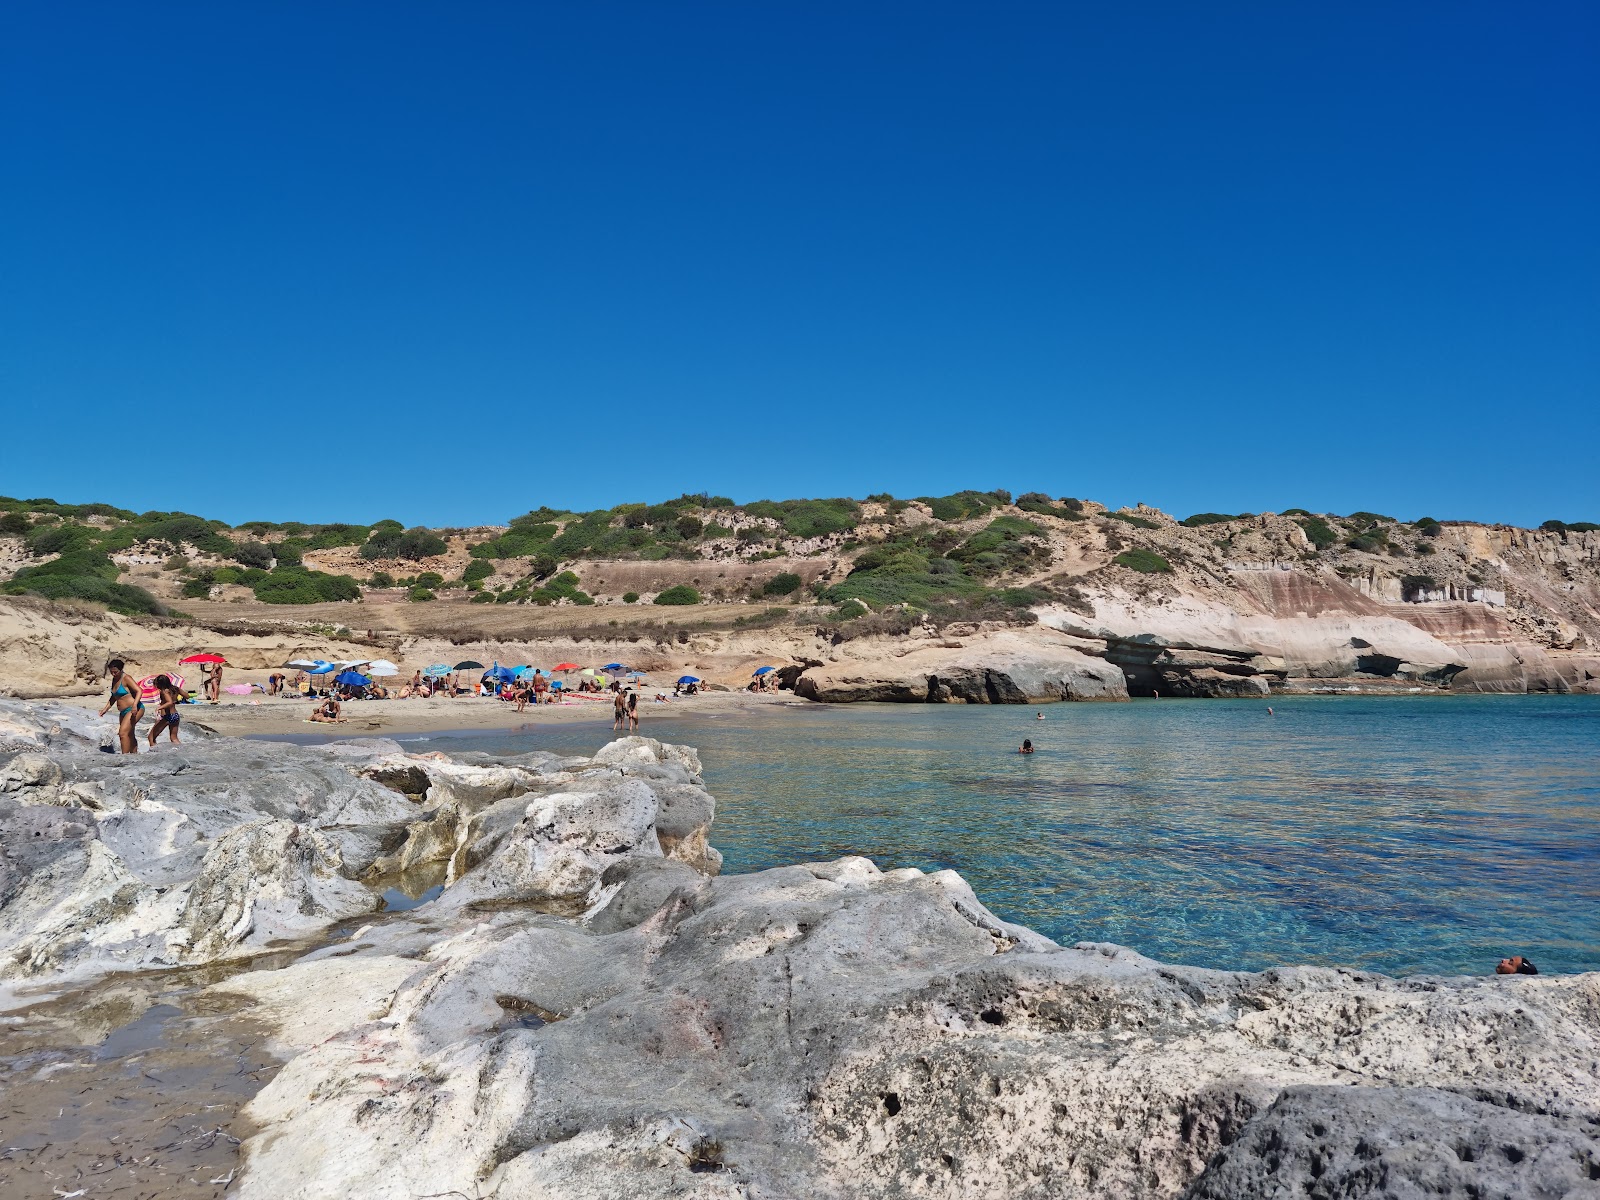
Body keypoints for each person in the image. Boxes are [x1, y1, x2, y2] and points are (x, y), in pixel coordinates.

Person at [99, 659, 145, 753]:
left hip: (134, 708)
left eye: (115, 672)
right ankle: (134, 755)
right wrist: (105, 709)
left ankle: (125, 757)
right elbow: (114, 696)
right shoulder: (114, 679)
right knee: (130, 734)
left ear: (121, 670)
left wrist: (135, 705)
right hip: (123, 711)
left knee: (123, 733)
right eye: (111, 672)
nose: (113, 674)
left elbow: (139, 691)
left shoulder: (126, 678)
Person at [147, 674, 183, 747]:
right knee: (174, 738)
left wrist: (159, 707)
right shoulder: (176, 689)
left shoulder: (164, 691)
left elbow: (169, 702)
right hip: (175, 715)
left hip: (168, 716)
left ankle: (155, 753)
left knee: (151, 737)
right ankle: (181, 750)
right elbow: (187, 696)